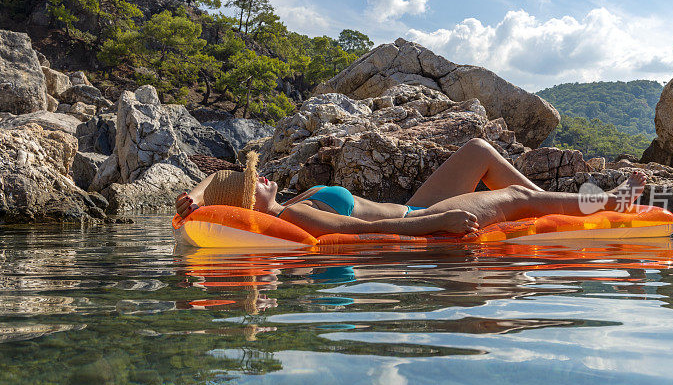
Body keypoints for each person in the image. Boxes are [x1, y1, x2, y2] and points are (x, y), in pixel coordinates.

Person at [175, 138, 646, 237]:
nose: (266, 178)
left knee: (478, 150)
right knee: (519, 198)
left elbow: (214, 183)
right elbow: (357, 235)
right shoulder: (293, 216)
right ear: (250, 203)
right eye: (256, 183)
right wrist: (438, 221)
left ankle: (552, 213)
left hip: (412, 205)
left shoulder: (290, 202)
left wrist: (193, 200)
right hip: (421, 219)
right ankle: (611, 201)